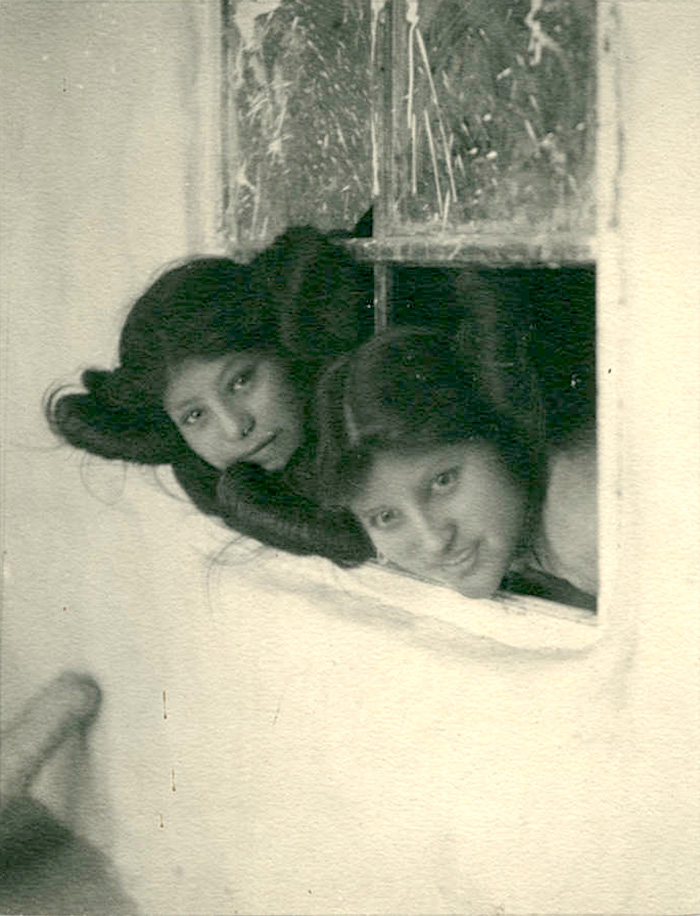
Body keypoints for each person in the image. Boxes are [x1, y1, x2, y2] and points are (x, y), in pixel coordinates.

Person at [46, 227, 375, 564]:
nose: (235, 427)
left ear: (285, 355)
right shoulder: (217, 483)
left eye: (241, 381)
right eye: (195, 416)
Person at [310, 326, 597, 608]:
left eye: (443, 482)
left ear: (498, 436)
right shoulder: (525, 540)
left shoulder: (581, 517)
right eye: (385, 517)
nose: (434, 541)